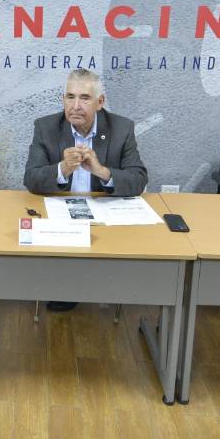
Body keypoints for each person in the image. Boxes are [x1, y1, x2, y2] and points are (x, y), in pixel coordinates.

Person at [23, 68, 148, 311]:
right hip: (61, 216)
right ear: (63, 99)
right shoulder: (46, 127)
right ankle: (70, 287)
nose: (76, 106)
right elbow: (31, 178)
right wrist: (62, 169)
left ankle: (94, 286)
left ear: (100, 102)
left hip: (105, 216)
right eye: (70, 97)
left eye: (85, 98)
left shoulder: (122, 128)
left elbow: (138, 179)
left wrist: (102, 171)